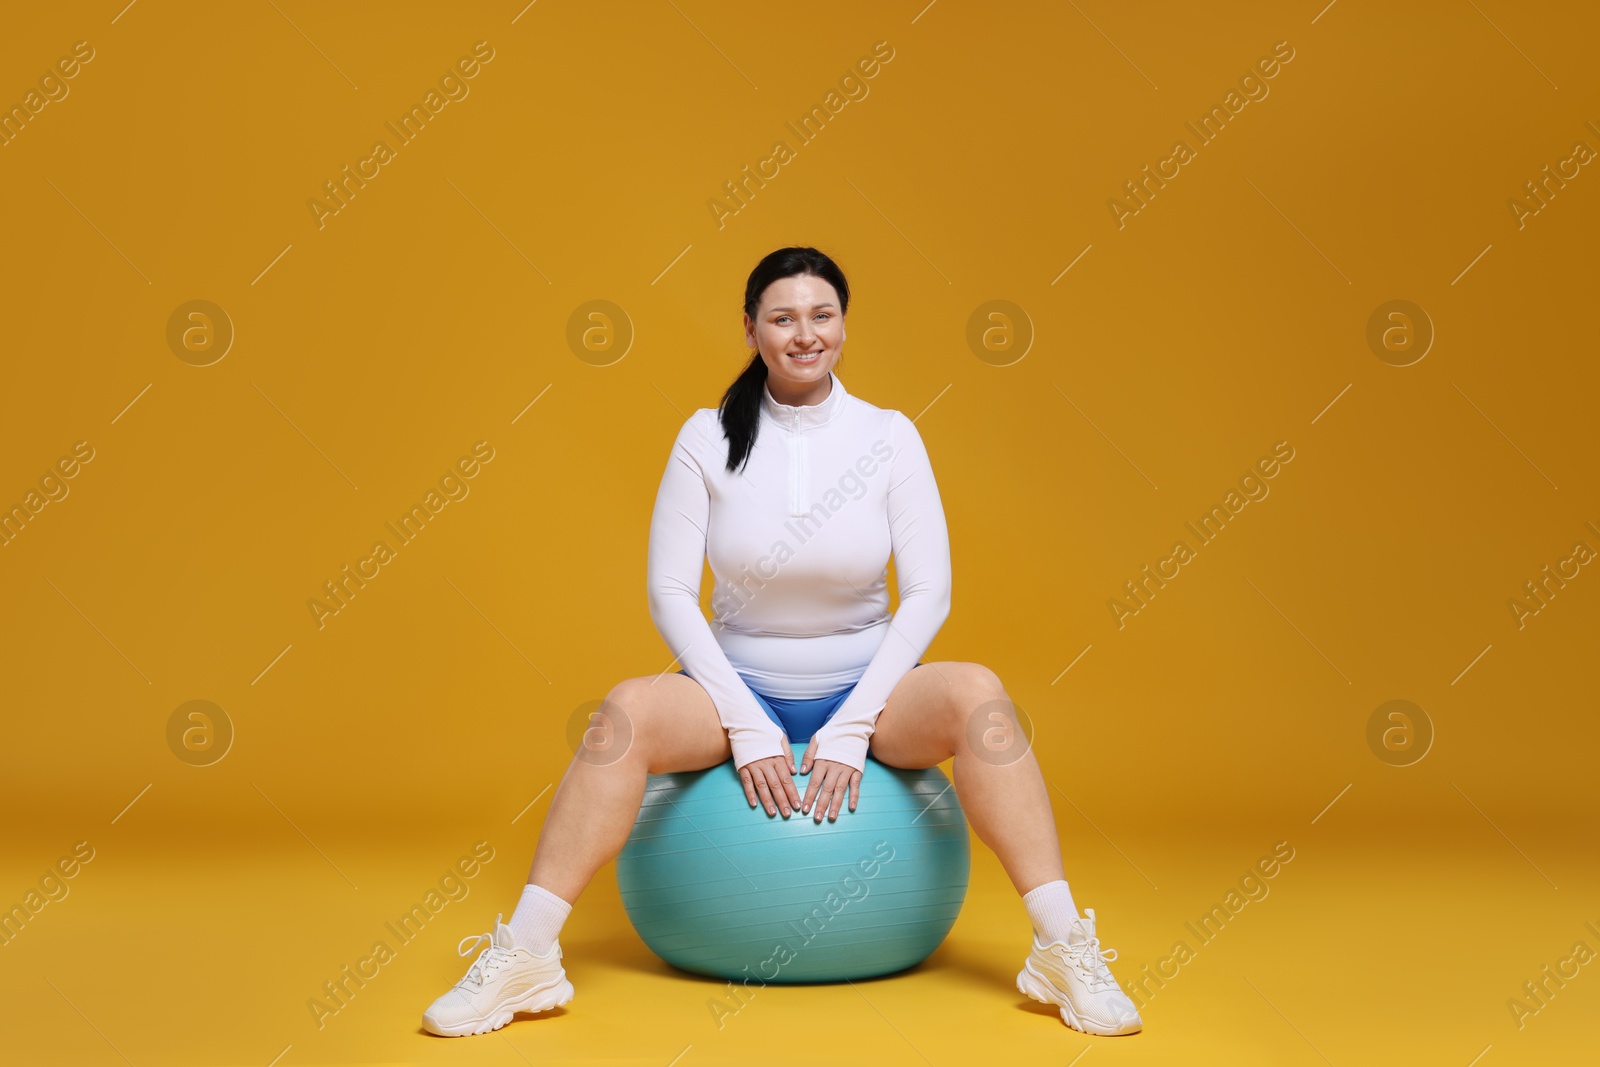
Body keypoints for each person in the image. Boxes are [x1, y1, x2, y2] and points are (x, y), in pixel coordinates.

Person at [420, 246, 1143, 1039]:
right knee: (624, 710)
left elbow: (930, 593)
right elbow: (669, 592)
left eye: (822, 315)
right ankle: (525, 956)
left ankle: (1063, 947)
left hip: (869, 689)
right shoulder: (703, 436)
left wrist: (856, 721)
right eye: (783, 317)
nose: (805, 334)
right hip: (739, 686)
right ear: (751, 327)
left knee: (979, 693)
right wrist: (745, 720)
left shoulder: (890, 436)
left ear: (844, 323)